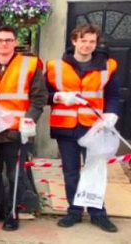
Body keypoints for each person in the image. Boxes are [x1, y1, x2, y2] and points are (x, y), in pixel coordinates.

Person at [46, 24, 120, 233]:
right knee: (71, 172)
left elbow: (113, 95)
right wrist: (59, 97)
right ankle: (74, 210)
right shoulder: (54, 66)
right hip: (65, 128)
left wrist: (111, 113)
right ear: (74, 41)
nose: (87, 45)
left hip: (94, 127)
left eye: (92, 42)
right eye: (83, 41)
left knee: (95, 171)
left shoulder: (108, 65)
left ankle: (98, 213)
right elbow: (43, 95)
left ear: (96, 43)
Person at [0, 26, 47, 231]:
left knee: (16, 174)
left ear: (15, 42)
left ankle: (13, 211)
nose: (4, 44)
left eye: (8, 40)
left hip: (16, 131)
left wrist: (29, 121)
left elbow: (39, 98)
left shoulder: (31, 64)